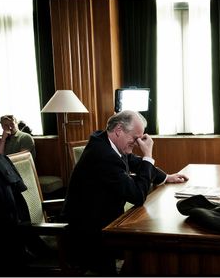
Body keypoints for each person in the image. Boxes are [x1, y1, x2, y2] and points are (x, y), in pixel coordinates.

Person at [61, 110, 189, 274]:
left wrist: (166, 177)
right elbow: (137, 196)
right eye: (135, 138)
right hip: (88, 233)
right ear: (119, 130)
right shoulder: (103, 155)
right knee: (146, 249)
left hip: (105, 219)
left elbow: (134, 161)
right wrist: (148, 155)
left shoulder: (107, 141)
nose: (137, 143)